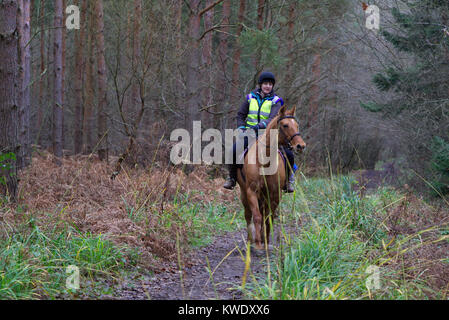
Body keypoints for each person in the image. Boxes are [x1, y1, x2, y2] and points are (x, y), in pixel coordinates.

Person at [223, 71, 296, 192]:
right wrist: (241, 128)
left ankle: (288, 181)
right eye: (265, 83)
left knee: (288, 153)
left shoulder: (276, 101)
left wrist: (259, 126)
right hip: (250, 134)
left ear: (272, 86)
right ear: (260, 85)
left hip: (269, 135)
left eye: (270, 84)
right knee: (234, 150)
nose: (268, 86)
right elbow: (241, 115)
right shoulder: (250, 98)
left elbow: (273, 118)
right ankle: (232, 178)